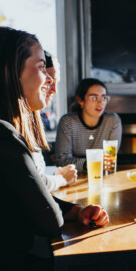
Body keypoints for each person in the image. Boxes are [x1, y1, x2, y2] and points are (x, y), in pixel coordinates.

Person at [0, 26, 109, 271]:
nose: (48, 79)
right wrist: (65, 211)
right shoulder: (1, 134)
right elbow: (50, 220)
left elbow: (29, 197)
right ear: (8, 72)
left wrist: (76, 210)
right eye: (40, 66)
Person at [30, 50, 77, 192]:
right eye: (48, 80)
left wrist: (56, 175)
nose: (54, 90)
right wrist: (62, 179)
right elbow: (34, 183)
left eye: (56, 82)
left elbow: (35, 174)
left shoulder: (33, 118)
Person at [55, 78, 122, 173]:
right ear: (80, 100)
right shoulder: (68, 122)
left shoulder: (112, 121)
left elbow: (109, 162)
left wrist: (78, 160)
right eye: (93, 97)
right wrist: (93, 163)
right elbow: (62, 161)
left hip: (103, 176)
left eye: (103, 97)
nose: (100, 103)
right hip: (74, 178)